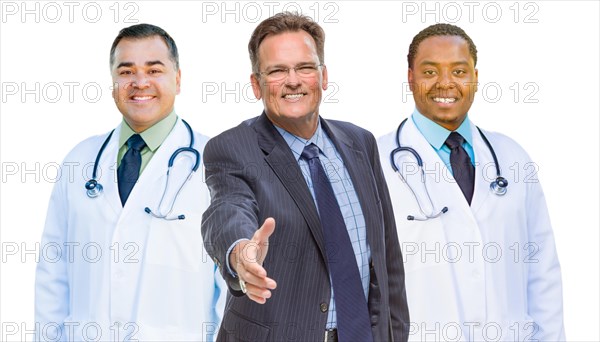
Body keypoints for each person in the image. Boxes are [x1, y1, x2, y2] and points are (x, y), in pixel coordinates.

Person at [201, 12, 410, 342]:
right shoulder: (232, 148)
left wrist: (394, 335)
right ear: (256, 84)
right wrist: (240, 254)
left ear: (323, 76)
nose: (293, 80)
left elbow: (387, 256)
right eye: (277, 71)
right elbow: (227, 210)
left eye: (305, 67)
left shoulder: (360, 142)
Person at [34, 23, 225, 341]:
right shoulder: (80, 160)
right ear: (112, 83)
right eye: (126, 72)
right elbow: (53, 274)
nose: (139, 83)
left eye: (154, 70)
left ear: (177, 80)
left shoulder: (216, 164)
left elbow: (231, 288)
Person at [378, 23, 565, 341]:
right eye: (430, 72)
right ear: (410, 78)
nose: (446, 84)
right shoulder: (376, 162)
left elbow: (542, 272)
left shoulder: (513, 157)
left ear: (475, 77)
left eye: (459, 71)